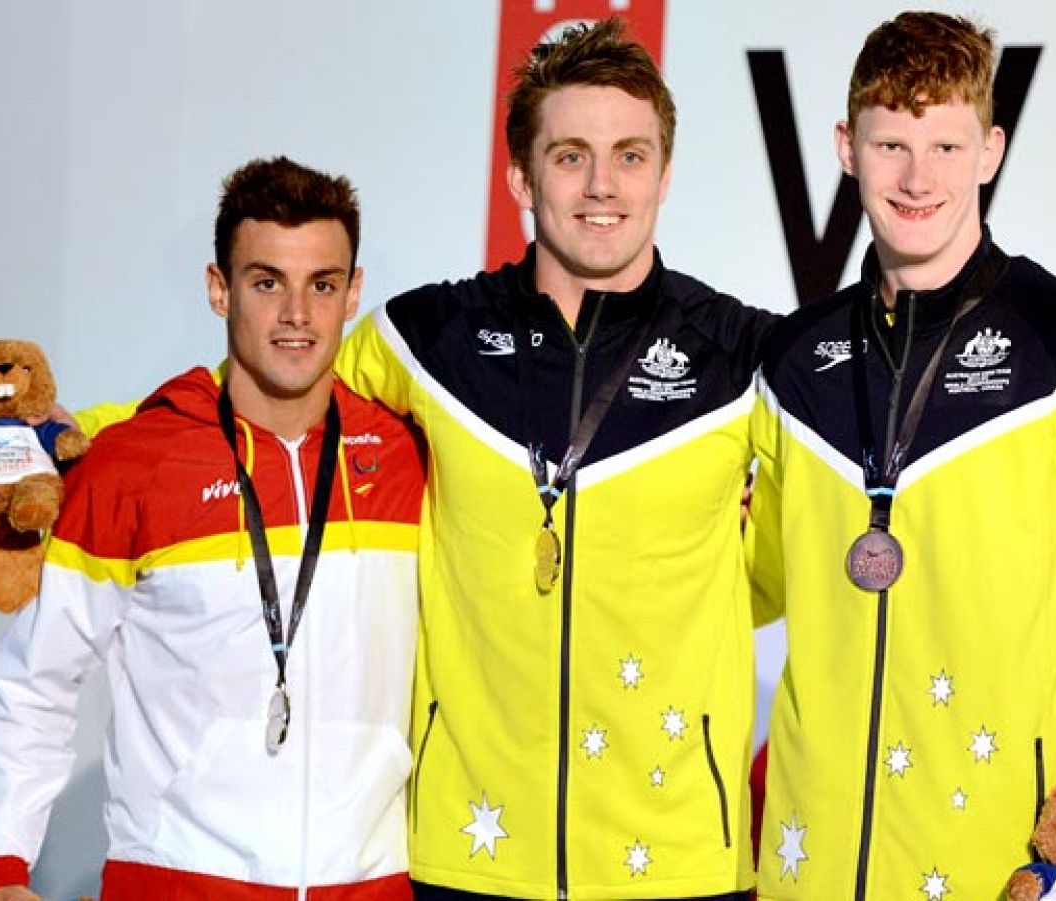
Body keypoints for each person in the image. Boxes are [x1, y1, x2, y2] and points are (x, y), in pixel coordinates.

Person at [747, 12, 1056, 900]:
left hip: (1010, 865)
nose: (919, 179)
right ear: (847, 147)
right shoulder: (793, 360)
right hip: (812, 862)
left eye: (947, 146)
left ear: (991, 150)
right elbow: (753, 580)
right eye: (891, 144)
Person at [338, 18, 775, 900]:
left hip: (679, 858)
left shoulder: (742, 357)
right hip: (468, 850)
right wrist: (73, 446)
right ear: (520, 176)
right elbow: (267, 415)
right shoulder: (426, 339)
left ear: (664, 172)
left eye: (630, 155)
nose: (603, 185)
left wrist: (716, 581)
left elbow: (834, 534)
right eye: (571, 155)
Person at [0, 157, 426, 901]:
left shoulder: (406, 457)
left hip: (369, 886)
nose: (297, 315)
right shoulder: (132, 465)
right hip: (176, 882)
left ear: (354, 293)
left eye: (323, 285)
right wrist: (1, 868)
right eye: (266, 282)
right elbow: (35, 682)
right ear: (219, 289)